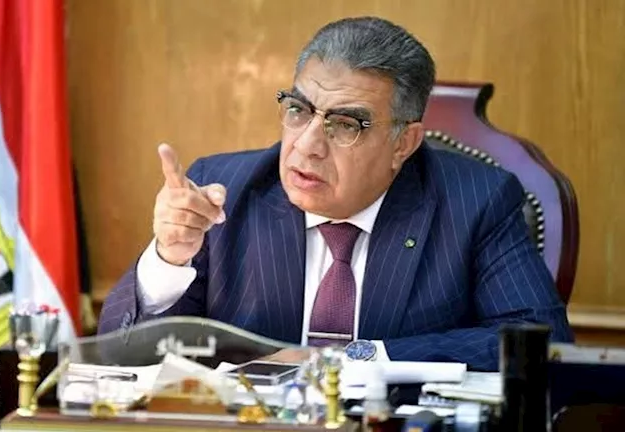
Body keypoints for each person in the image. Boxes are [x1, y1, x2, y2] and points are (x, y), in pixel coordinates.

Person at [98, 16, 573, 371]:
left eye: (346, 124)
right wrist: (167, 259)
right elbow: (124, 355)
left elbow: (540, 340)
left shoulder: (477, 200)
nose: (307, 146)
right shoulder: (225, 191)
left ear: (403, 143)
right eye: (299, 110)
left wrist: (353, 359)